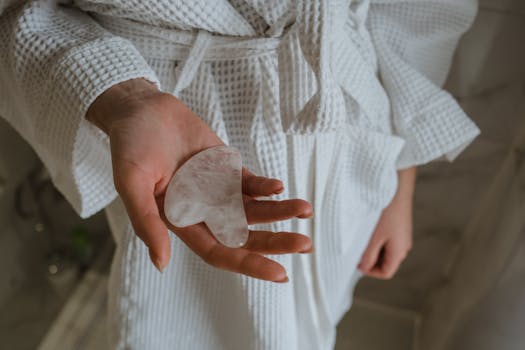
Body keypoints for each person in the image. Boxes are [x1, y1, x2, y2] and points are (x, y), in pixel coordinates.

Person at [0, 0, 480, 349]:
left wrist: (402, 176)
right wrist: (123, 96)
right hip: (176, 137)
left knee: (317, 309)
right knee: (185, 323)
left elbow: (420, 17)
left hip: (347, 123)